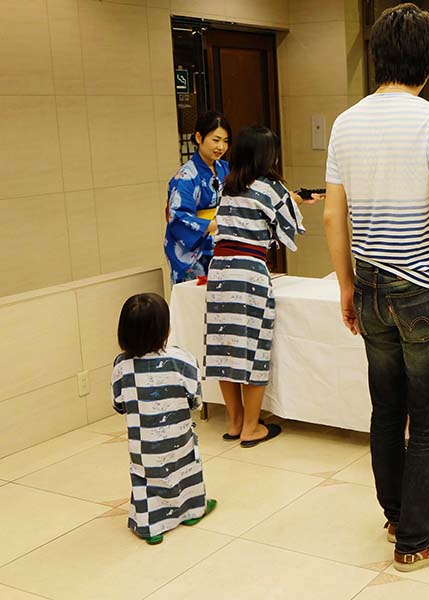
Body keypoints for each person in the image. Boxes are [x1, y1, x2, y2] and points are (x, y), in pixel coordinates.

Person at [323, 3, 429, 573]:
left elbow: (335, 218)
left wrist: (346, 287)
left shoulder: (345, 122)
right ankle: (416, 539)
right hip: (423, 290)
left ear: (378, 57)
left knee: (386, 409)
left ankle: (394, 516)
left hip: (370, 287)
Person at [204, 126, 304, 447]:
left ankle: (233, 422)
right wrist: (296, 200)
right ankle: (251, 427)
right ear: (266, 155)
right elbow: (291, 229)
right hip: (250, 273)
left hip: (219, 270)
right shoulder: (272, 187)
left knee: (224, 347)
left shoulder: (226, 186)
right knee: (253, 348)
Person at [111, 293, 216, 545]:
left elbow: (119, 403)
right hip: (179, 436)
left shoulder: (121, 366)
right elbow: (195, 398)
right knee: (186, 468)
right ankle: (191, 511)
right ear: (165, 328)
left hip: (143, 443)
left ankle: (151, 526)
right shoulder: (181, 359)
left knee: (146, 480)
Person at [165, 111, 232, 284]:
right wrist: (218, 224)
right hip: (194, 253)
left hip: (223, 244)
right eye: (215, 140)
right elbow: (178, 217)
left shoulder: (226, 168)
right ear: (198, 137)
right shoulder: (186, 176)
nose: (221, 147)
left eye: (225, 141)